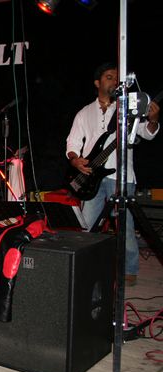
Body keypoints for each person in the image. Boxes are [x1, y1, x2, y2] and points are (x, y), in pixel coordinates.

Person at [66, 62, 160, 286]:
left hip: (121, 176)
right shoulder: (84, 112)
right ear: (97, 83)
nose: (114, 81)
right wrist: (75, 159)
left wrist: (153, 120)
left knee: (125, 225)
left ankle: (129, 269)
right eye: (109, 77)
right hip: (91, 177)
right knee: (88, 224)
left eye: (117, 78)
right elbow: (72, 142)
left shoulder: (127, 109)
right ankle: (84, 264)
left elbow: (147, 133)